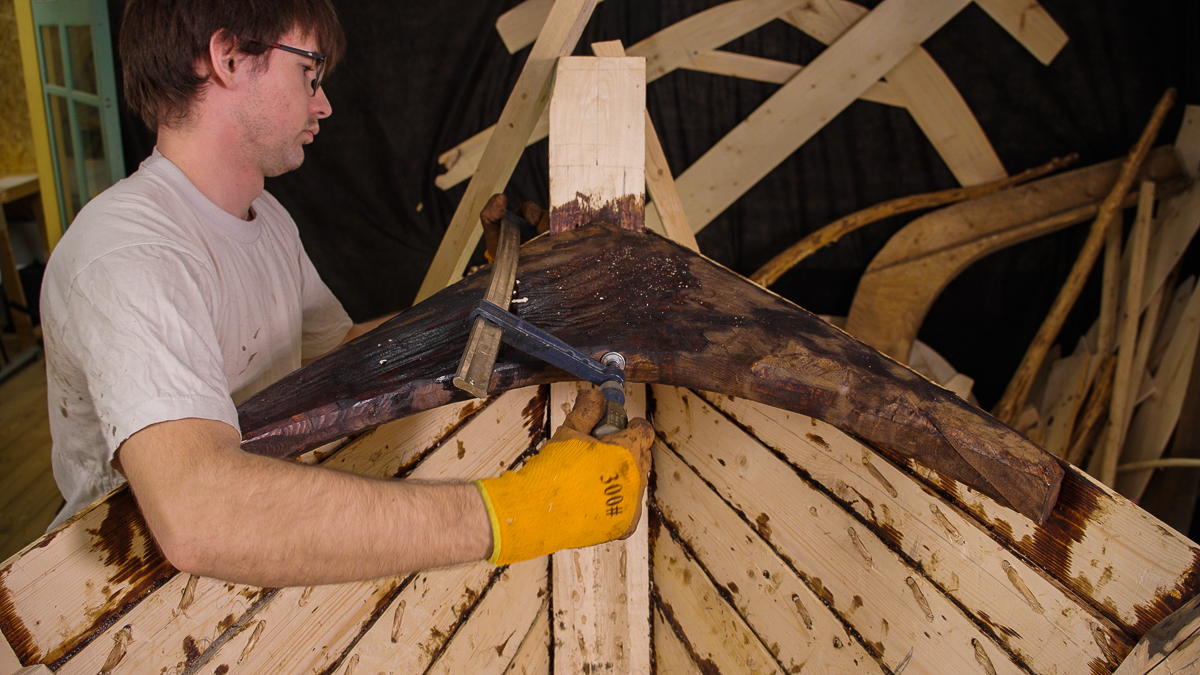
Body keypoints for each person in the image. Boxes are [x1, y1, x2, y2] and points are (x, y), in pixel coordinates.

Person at [39, 0, 653, 587]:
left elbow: (337, 351)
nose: (324, 103)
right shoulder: (131, 254)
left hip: (252, 566)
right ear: (227, 59)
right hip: (115, 608)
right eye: (308, 72)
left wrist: (492, 298)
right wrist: (520, 513)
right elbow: (198, 514)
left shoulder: (265, 219)